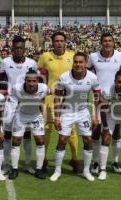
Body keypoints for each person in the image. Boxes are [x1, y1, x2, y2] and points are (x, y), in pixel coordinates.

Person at [50, 52, 100, 181]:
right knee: (62, 140)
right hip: (67, 111)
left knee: (88, 140)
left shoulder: (92, 77)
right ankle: (57, 170)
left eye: (81, 62)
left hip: (83, 112)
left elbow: (97, 98)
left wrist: (95, 116)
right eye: (76, 62)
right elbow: (57, 98)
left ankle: (86, 171)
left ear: (85, 63)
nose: (78, 64)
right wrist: (56, 116)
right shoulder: (64, 77)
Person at [88, 32, 121, 174]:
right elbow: (87, 75)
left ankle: (115, 162)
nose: (107, 43)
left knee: (116, 132)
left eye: (110, 40)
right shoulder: (93, 57)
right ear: (101, 42)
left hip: (117, 99)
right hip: (99, 99)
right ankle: (95, 162)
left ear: (113, 42)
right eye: (105, 40)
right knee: (96, 131)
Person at [38, 32, 79, 172]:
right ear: (52, 42)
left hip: (69, 98)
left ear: (65, 42)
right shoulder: (45, 56)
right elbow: (39, 75)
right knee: (48, 129)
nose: (59, 43)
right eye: (57, 41)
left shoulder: (72, 56)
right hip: (50, 98)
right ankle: (42, 159)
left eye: (62, 41)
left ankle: (74, 158)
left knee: (71, 130)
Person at [0, 36, 39, 174]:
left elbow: (35, 81)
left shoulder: (32, 63)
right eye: (16, 48)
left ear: (25, 49)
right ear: (12, 49)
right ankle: (6, 163)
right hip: (11, 102)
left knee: (27, 135)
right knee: (8, 134)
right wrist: (4, 91)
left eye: (21, 48)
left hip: (27, 101)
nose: (19, 50)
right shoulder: (5, 62)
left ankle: (27, 164)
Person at [6, 69, 49, 180]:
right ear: (25, 80)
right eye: (29, 81)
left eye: (34, 81)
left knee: (40, 140)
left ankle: (39, 169)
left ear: (38, 81)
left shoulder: (44, 88)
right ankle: (14, 169)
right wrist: (8, 119)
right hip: (21, 116)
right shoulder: (17, 88)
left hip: (35, 116)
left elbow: (56, 92)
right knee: (16, 141)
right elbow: (11, 103)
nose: (31, 83)